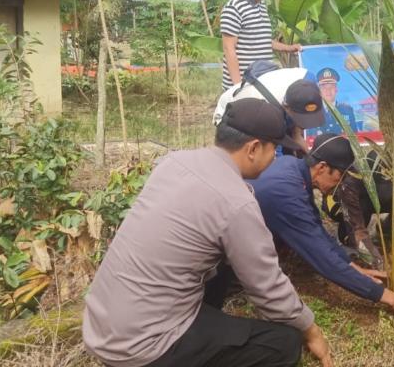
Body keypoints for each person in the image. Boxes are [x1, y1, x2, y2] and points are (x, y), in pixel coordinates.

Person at [83, 98, 332, 367]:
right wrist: (310, 329)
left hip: (101, 324)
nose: (274, 158)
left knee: (223, 263)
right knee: (283, 344)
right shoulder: (236, 202)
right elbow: (268, 288)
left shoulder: (174, 162)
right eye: (274, 149)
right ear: (254, 148)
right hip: (144, 347)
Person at [216, 134, 394, 318]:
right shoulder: (285, 193)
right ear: (323, 167)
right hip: (216, 261)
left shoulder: (292, 167)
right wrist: (390, 297)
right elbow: (323, 261)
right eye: (339, 178)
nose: (339, 186)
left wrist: (356, 268)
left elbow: (317, 230)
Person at [321, 151, 394, 289]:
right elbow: (358, 233)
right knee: (351, 241)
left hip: (382, 196)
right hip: (352, 202)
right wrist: (385, 270)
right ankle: (355, 243)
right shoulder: (350, 180)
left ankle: (385, 232)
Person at [220, 0, 302, 90]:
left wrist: (289, 48)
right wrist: (236, 87)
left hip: (262, 83)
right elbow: (229, 49)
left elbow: (261, 40)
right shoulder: (234, 8)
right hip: (243, 85)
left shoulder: (261, 6)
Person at [213, 60, 324, 154]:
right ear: (286, 108)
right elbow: (273, 152)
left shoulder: (310, 81)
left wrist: (310, 158)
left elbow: (296, 136)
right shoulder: (268, 111)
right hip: (229, 113)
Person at [312, 67, 358, 135]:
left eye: (331, 87)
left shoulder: (347, 110)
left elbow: (354, 136)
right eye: (324, 87)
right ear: (319, 90)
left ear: (336, 89)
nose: (328, 90)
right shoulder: (313, 112)